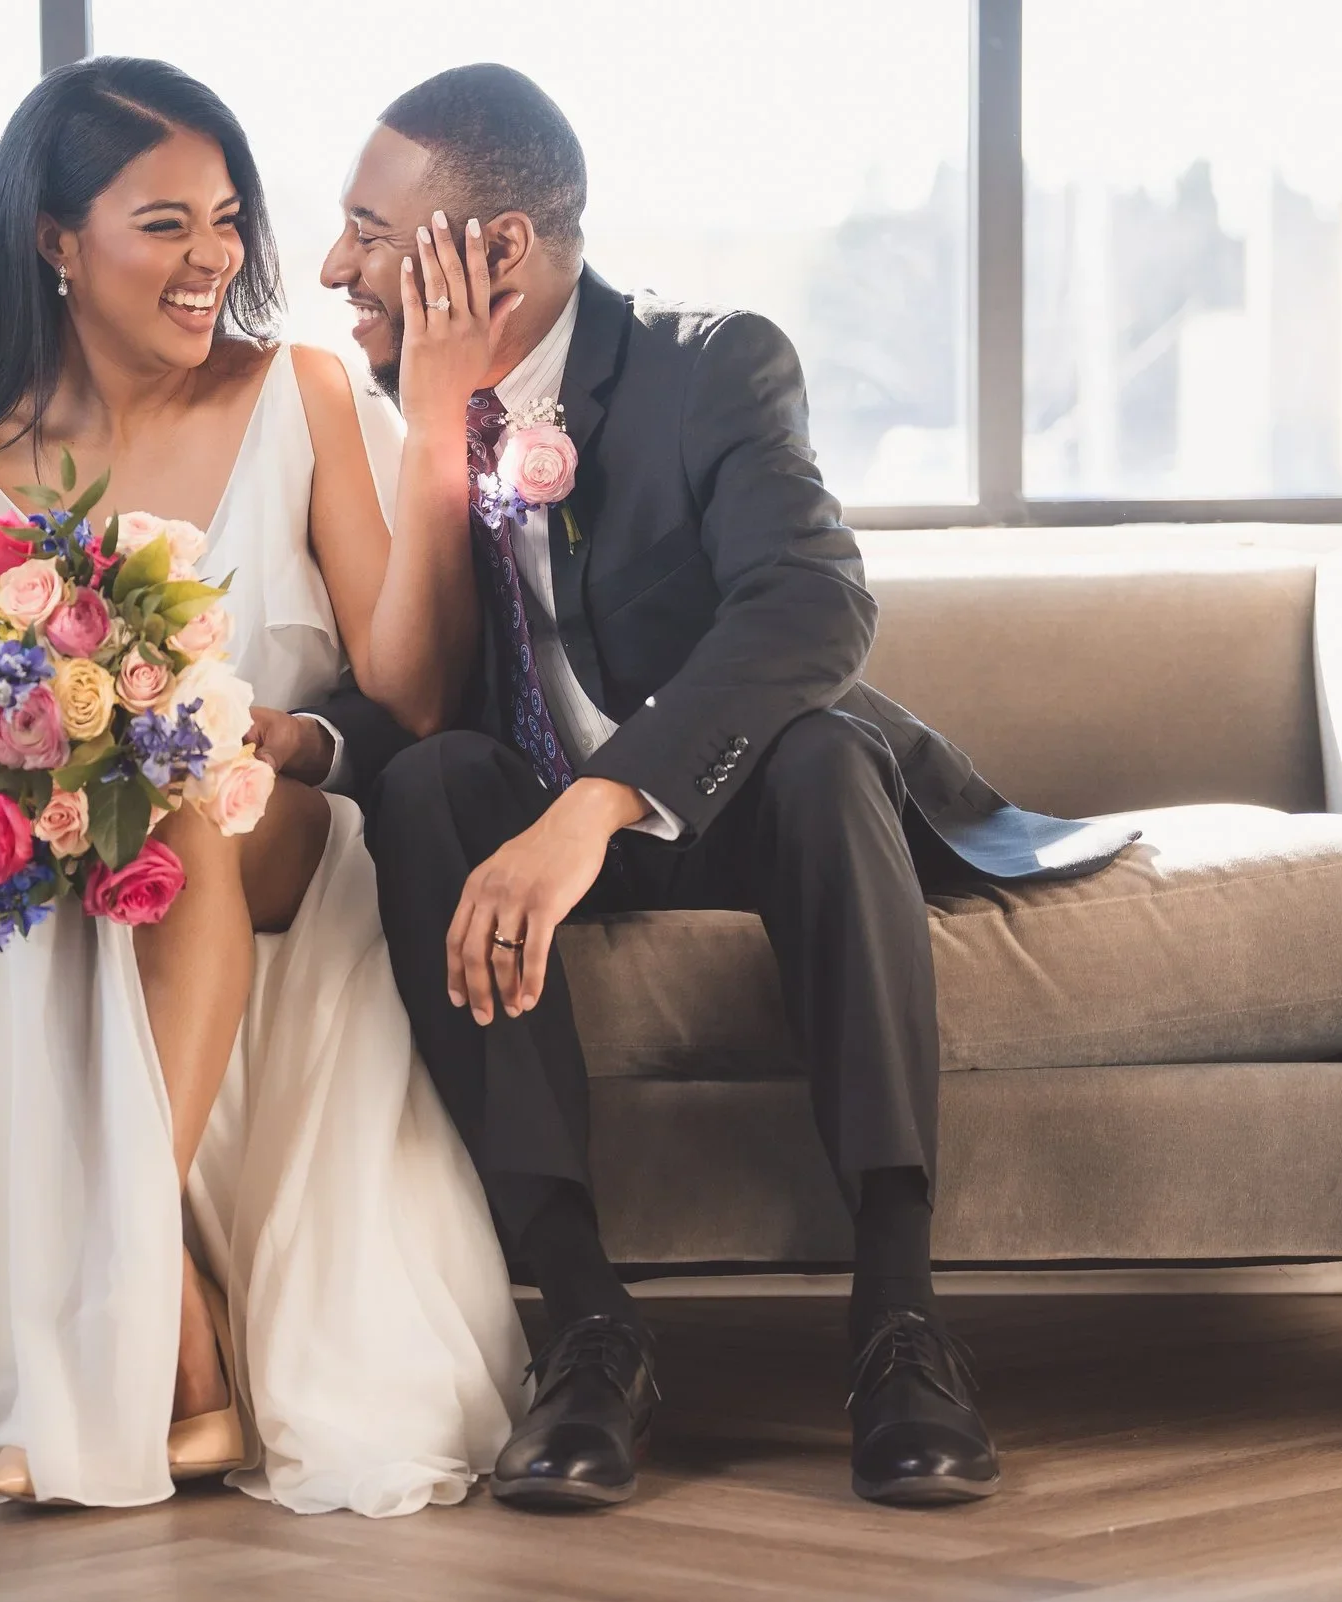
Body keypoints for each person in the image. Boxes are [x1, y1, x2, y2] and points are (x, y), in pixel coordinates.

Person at [312, 64, 1137, 1510]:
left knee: (826, 753)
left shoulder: (711, 367)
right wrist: (282, 734)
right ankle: (585, 1325)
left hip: (724, 803)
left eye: (369, 230)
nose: (335, 267)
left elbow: (812, 606)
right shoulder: (393, 407)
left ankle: (898, 1320)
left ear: (494, 252)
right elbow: (410, 693)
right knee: (432, 784)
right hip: (526, 803)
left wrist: (599, 803)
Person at [0, 57, 532, 1518]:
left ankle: (126, 1283)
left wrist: (441, 419)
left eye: (226, 218)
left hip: (280, 828)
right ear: (54, 239)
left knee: (176, 798)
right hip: (70, 866)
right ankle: (183, 1347)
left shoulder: (303, 391)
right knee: (102, 829)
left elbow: (408, 691)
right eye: (164, 223)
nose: (212, 256)